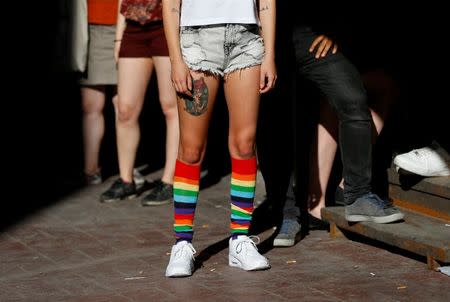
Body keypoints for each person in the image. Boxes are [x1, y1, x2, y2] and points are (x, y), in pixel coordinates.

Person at [162, 0, 277, 277]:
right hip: (196, 41)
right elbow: (170, 5)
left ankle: (240, 239)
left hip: (246, 40)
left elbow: (267, 3)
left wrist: (270, 55)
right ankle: (182, 243)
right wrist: (176, 60)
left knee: (245, 144)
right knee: (190, 149)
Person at [100, 0, 179, 205]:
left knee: (171, 107)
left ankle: (170, 181)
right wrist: (119, 36)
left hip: (167, 24)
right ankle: (127, 180)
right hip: (133, 27)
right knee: (125, 108)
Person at [81, 0, 146, 187]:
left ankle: (126, 168)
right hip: (88, 25)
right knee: (91, 104)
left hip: (126, 22)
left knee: (125, 106)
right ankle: (90, 169)